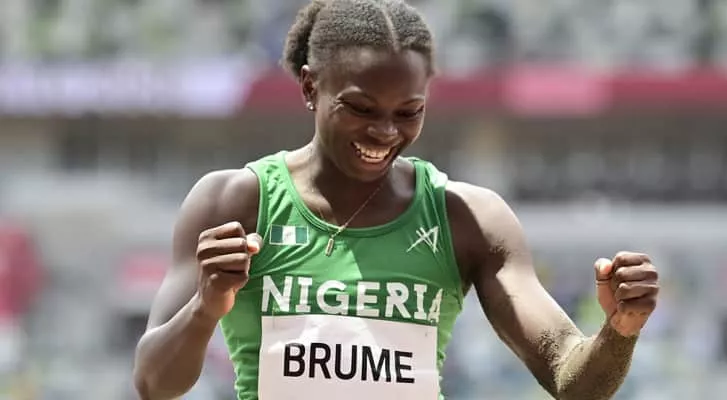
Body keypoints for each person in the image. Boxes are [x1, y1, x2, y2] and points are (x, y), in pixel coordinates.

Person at [132, 1, 660, 399]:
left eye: (408, 112)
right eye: (360, 108)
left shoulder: (468, 218)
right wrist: (205, 307)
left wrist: (619, 332)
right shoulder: (234, 201)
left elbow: (571, 380)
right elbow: (154, 384)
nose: (385, 133)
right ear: (311, 87)